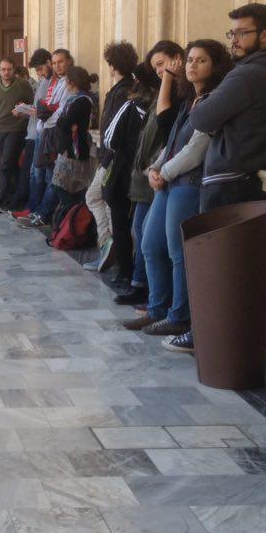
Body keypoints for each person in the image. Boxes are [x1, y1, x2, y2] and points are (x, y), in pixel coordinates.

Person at [129, 40, 232, 351]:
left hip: (188, 183)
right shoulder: (189, 100)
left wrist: (164, 172)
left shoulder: (214, 101)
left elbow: (196, 149)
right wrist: (154, 168)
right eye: (190, 60)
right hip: (168, 179)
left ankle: (180, 315)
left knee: (178, 251)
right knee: (150, 243)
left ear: (215, 66)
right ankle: (157, 308)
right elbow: (172, 141)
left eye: (201, 60)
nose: (192, 65)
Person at [189, 2, 266, 212]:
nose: (234, 40)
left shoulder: (247, 75)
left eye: (241, 33)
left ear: (265, 34)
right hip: (253, 179)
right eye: (232, 33)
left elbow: (200, 119)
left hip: (229, 184)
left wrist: (201, 100)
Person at [119, 42, 186, 307]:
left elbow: (165, 122)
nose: (159, 70)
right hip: (155, 170)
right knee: (145, 236)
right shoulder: (164, 90)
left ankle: (161, 302)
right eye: (155, 67)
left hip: (173, 176)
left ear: (177, 58)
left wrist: (159, 169)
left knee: (161, 243)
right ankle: (152, 298)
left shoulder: (181, 92)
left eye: (161, 64)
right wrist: (154, 167)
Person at [96, 42, 152, 288]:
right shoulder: (135, 94)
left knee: (122, 219)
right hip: (134, 166)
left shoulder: (126, 97)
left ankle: (125, 269)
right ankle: (127, 268)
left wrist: (107, 159)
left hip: (122, 165)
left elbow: (112, 135)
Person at [16, 66, 96, 226]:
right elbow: (63, 121)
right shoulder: (75, 98)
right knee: (61, 185)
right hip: (67, 148)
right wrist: (65, 122)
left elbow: (63, 122)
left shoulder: (82, 100)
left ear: (72, 82)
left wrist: (66, 123)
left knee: (62, 185)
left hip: (75, 150)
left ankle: (73, 215)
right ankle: (70, 216)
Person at [84, 45, 136, 272]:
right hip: (112, 156)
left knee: (96, 197)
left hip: (114, 158)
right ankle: (109, 247)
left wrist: (108, 156)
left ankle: (108, 246)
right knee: (103, 200)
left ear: (113, 65)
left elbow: (116, 130)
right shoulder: (126, 89)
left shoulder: (122, 92)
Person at [0, 56, 34, 214]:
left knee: (6, 164)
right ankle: (17, 197)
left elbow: (32, 106)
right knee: (11, 165)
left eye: (9, 69)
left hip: (16, 129)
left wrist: (23, 111)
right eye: (3, 69)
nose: (6, 72)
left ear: (14, 70)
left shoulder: (23, 85)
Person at [9, 48, 53, 211]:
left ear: (48, 63)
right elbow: (37, 107)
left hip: (42, 133)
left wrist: (29, 110)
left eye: (40, 69)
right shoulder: (43, 81)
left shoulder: (52, 82)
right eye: (37, 71)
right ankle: (31, 207)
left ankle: (34, 209)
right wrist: (24, 110)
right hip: (34, 131)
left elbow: (48, 110)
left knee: (38, 174)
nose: (39, 73)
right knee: (33, 172)